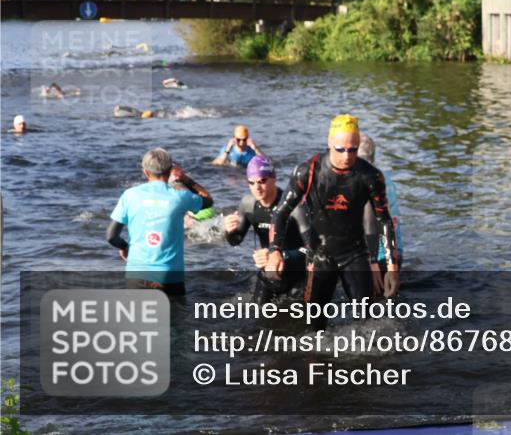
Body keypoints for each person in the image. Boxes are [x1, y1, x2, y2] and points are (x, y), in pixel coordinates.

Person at [266, 114, 399, 327]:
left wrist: (391, 268)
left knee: (367, 326)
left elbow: (383, 220)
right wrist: (275, 251)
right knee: (314, 329)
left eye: (353, 149)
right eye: (340, 149)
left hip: (355, 254)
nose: (347, 156)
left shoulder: (370, 176)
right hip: (320, 255)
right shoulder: (308, 171)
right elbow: (281, 212)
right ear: (329, 143)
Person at [106, 148, 213, 294]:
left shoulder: (129, 196)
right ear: (170, 171)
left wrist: (126, 248)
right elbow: (208, 200)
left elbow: (111, 236)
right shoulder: (180, 197)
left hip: (137, 274)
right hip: (169, 277)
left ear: (145, 172)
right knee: (175, 315)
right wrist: (185, 179)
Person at [224, 156, 310, 304]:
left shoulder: (294, 207)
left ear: (274, 179)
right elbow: (236, 241)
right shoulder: (248, 204)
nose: (257, 188)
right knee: (256, 315)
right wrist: (229, 231)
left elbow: (314, 250)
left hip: (299, 274)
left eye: (262, 181)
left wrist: (281, 255)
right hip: (270, 272)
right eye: (251, 182)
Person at [357, 133, 404, 277]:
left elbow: (368, 225)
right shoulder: (386, 178)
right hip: (395, 256)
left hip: (374, 260)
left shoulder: (362, 182)